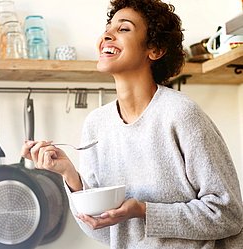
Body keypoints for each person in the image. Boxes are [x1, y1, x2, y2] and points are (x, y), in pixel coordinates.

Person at [21, 0, 243, 248]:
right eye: (108, 27)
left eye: (123, 29)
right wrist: (70, 175)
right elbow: (105, 231)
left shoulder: (181, 114)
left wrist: (143, 210)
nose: (107, 34)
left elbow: (229, 216)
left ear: (155, 50)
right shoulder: (97, 124)